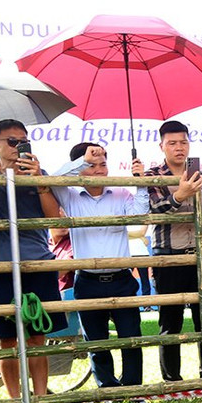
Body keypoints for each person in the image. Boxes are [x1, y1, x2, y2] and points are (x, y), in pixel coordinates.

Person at [0, 118, 68, 397]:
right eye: (12, 141)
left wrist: (38, 181)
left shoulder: (37, 172)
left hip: (38, 261)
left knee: (37, 336)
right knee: (6, 338)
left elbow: (52, 217)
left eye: (23, 141)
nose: (17, 146)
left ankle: (41, 395)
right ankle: (14, 398)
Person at [51, 142, 148, 389]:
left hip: (122, 279)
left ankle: (133, 388)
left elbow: (139, 215)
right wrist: (81, 160)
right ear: (80, 168)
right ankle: (107, 389)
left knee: (131, 338)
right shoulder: (69, 194)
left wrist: (140, 181)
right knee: (96, 341)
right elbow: (53, 179)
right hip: (87, 280)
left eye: (102, 163)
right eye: (90, 165)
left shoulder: (122, 193)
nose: (98, 169)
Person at [144, 120, 202, 382]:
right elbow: (155, 211)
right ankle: (172, 381)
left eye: (183, 142)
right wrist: (180, 194)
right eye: (172, 143)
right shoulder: (152, 176)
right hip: (168, 257)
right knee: (170, 322)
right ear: (162, 146)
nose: (179, 148)